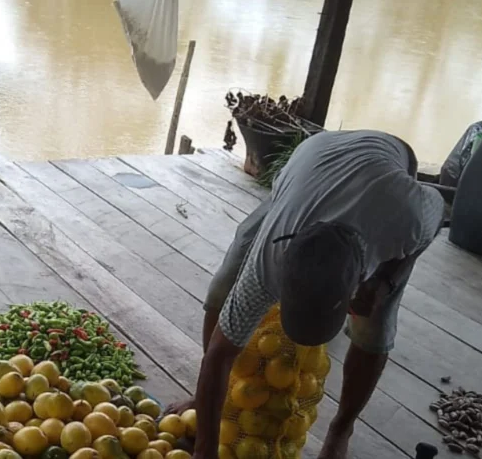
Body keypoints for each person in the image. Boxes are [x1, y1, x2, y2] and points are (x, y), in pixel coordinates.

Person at [180, 130, 446, 459]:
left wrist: (386, 282)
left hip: (385, 165)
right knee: (224, 284)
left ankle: (341, 430)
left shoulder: (405, 218)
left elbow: (437, 215)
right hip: (309, 166)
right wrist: (205, 450)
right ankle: (206, 400)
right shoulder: (269, 261)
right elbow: (221, 353)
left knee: (374, 328)